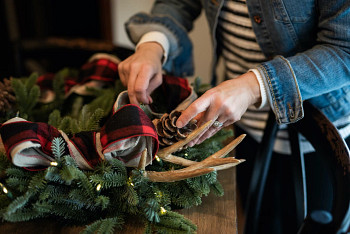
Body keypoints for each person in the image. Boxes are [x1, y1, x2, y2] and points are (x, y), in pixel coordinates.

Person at [118, 1, 350, 233]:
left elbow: (344, 48)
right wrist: (154, 43)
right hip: (241, 126)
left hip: (319, 140)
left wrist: (254, 86)